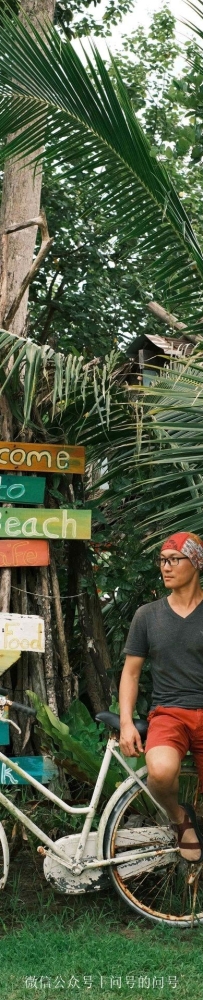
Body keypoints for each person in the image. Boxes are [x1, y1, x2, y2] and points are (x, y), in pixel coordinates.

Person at [119, 531, 203, 863]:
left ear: (195, 563)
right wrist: (127, 722)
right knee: (161, 770)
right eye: (162, 561)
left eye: (173, 560)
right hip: (169, 713)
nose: (165, 568)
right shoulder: (147, 615)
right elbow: (131, 673)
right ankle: (180, 819)